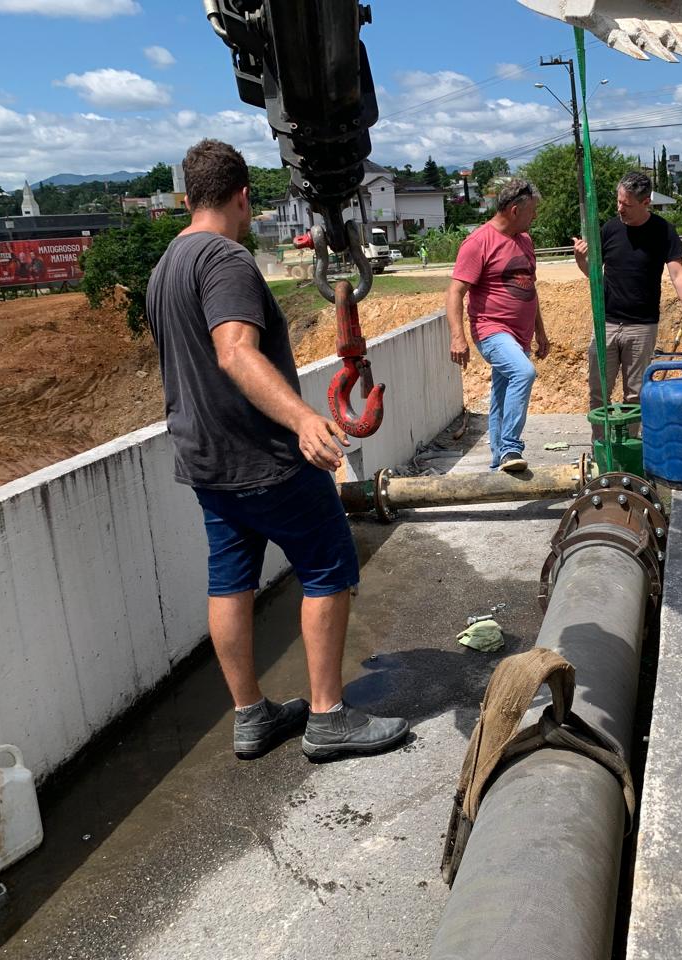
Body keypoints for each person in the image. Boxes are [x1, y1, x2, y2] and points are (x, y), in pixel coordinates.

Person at [146, 139, 408, 762]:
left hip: (205, 460)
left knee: (229, 582)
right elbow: (234, 350)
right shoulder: (227, 260)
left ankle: (250, 716)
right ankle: (327, 717)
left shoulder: (164, 268)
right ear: (242, 197)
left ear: (188, 198)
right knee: (327, 567)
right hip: (263, 459)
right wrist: (301, 419)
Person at [572, 171, 682, 439]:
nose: (619, 209)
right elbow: (594, 274)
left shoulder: (663, 231)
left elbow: (677, 273)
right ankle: (602, 446)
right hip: (607, 323)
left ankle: (631, 447)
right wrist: (581, 260)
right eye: (618, 202)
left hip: (642, 326)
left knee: (636, 392)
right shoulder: (609, 229)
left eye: (626, 205)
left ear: (645, 202)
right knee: (598, 391)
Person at [447, 178, 550, 472]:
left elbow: (529, 287)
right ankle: (510, 448)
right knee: (523, 372)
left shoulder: (525, 241)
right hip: (491, 330)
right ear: (515, 210)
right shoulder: (479, 242)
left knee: (501, 395)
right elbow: (455, 292)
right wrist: (458, 337)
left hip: (521, 336)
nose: (536, 216)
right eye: (532, 211)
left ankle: (498, 461)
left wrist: (540, 331)